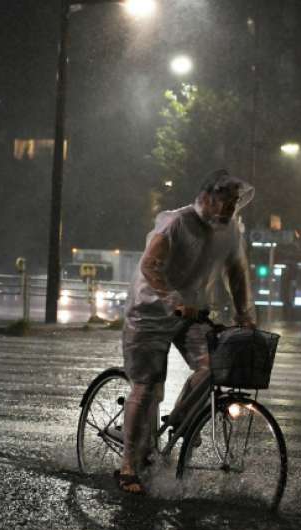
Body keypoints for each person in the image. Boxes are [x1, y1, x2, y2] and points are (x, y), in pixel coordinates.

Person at [116, 169, 256, 495]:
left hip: (190, 315)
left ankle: (179, 424)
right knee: (147, 384)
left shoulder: (231, 231)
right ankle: (128, 466)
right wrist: (172, 299)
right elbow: (150, 265)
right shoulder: (176, 222)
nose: (228, 208)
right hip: (150, 312)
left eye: (233, 202)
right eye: (223, 200)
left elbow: (237, 273)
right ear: (206, 197)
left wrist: (244, 315)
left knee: (213, 366)